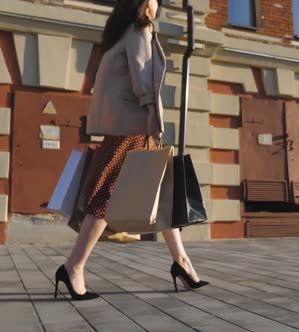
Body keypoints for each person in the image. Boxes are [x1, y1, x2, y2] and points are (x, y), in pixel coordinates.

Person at [54, 0, 209, 301]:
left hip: (126, 123)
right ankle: (74, 266)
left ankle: (182, 262)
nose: (156, 4)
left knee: (162, 190)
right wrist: (152, 111)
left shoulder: (118, 31)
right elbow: (142, 72)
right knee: (107, 193)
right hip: (134, 125)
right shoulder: (140, 27)